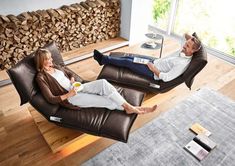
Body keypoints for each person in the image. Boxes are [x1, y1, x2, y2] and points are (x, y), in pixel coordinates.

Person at [34, 49, 157, 114]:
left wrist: (71, 79)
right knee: (107, 101)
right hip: (70, 98)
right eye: (48, 59)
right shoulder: (41, 78)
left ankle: (130, 108)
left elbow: (69, 72)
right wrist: (69, 94)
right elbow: (50, 98)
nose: (51, 60)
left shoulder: (54, 66)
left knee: (103, 83)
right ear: (41, 62)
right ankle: (133, 108)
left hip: (76, 87)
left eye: (50, 57)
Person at [93, 33, 201, 82]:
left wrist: (153, 69)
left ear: (193, 51)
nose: (184, 46)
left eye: (187, 46)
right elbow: (185, 35)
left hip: (153, 72)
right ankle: (104, 59)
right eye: (185, 44)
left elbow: (167, 78)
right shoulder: (184, 51)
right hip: (154, 61)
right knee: (130, 58)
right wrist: (192, 39)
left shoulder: (182, 64)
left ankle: (103, 59)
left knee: (127, 62)